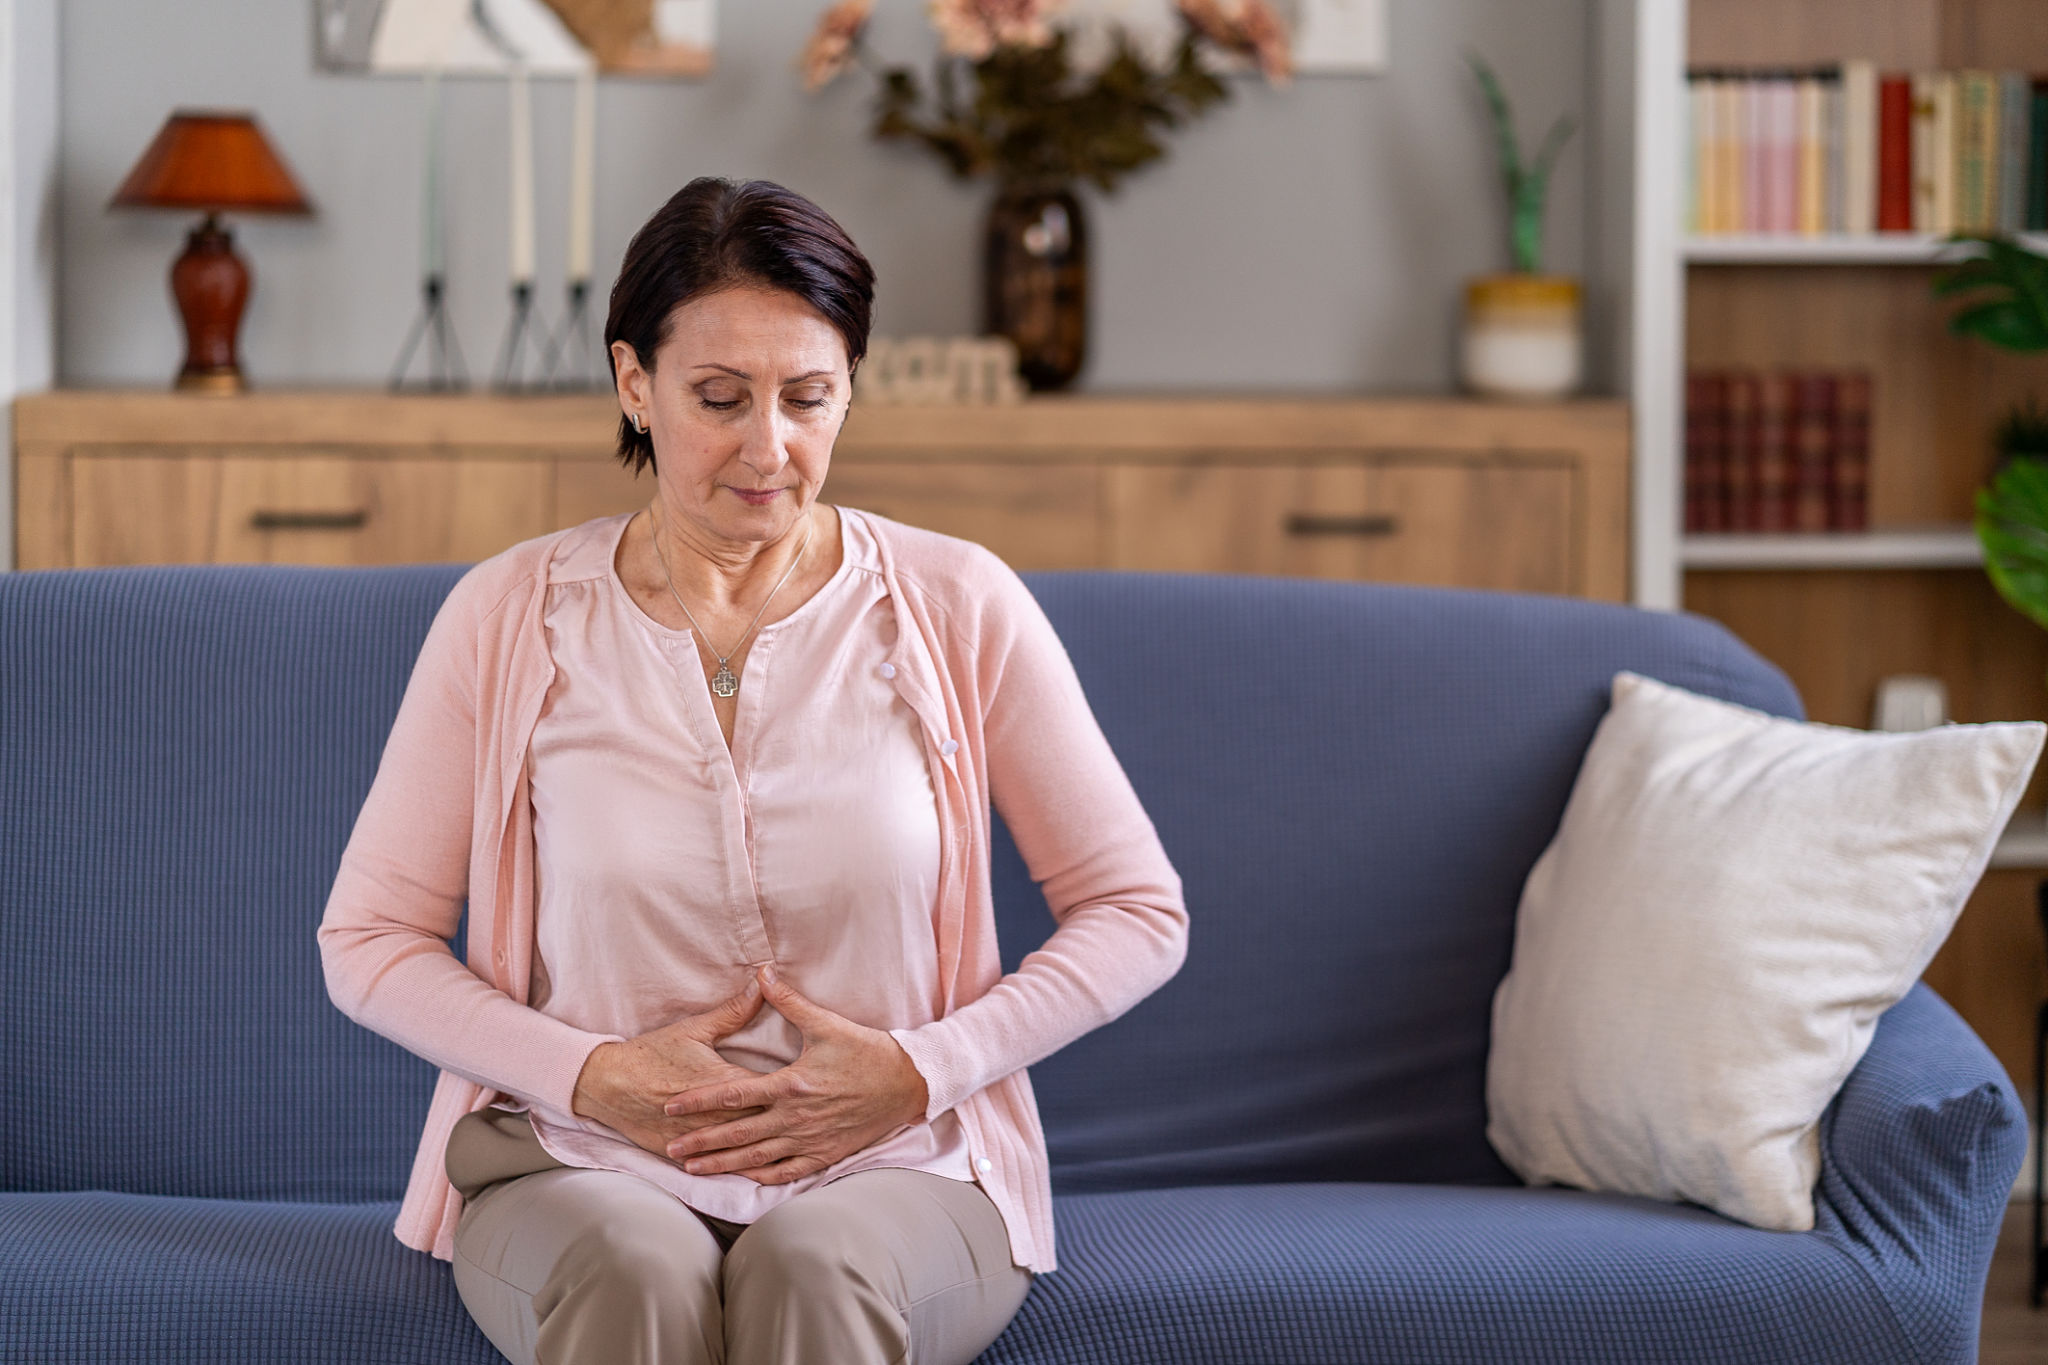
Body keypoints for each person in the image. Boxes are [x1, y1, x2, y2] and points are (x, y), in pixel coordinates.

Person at [317, 176, 1189, 1365]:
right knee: (635, 1271)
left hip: (901, 1161)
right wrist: (589, 1077)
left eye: (808, 398)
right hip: (581, 1160)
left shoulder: (954, 601)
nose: (768, 449)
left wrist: (916, 1073)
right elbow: (366, 942)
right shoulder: (510, 616)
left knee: (812, 1268)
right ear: (635, 383)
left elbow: (1137, 912)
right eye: (718, 398)